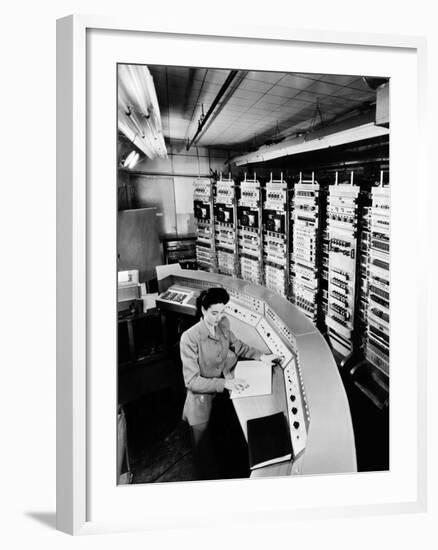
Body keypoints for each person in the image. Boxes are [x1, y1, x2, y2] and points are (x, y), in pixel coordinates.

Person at [179, 286, 279, 478]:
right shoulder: (189, 338)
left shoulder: (223, 325)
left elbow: (238, 346)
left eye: (222, 312)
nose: (218, 318)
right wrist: (224, 384)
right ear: (203, 310)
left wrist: (261, 357)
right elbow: (192, 382)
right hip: (201, 401)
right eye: (214, 313)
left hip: (222, 399)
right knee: (205, 461)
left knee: (226, 451)